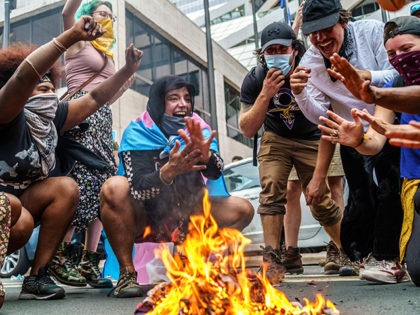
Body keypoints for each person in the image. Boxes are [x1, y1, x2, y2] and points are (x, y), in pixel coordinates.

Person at [0, 16, 142, 302]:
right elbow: (25, 75)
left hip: (20, 211)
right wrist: (70, 37)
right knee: (15, 209)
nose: (45, 84)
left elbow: (94, 99)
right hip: (5, 207)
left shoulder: (52, 118)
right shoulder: (6, 111)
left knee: (65, 187)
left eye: (50, 81)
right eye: (38, 80)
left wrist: (127, 69)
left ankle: (37, 276)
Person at [100, 75, 254, 298]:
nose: (183, 104)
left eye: (186, 98)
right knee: (113, 187)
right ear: (158, 102)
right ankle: (126, 274)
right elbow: (138, 188)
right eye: (174, 98)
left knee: (242, 209)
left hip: (189, 214)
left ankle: (195, 267)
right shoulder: (138, 131)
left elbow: (216, 171)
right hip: (146, 218)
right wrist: (169, 171)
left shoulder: (199, 128)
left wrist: (207, 155)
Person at [290, 0, 403, 279]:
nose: (320, 39)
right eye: (312, 32)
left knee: (390, 187)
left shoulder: (373, 32)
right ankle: (364, 255)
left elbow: (399, 75)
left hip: (388, 119)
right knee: (361, 199)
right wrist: (301, 94)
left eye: (326, 28)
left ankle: (387, 257)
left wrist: (366, 77)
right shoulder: (311, 61)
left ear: (342, 20)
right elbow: (321, 116)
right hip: (351, 134)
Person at [238, 21, 343, 284]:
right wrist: (265, 94)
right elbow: (248, 129)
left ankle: (345, 250)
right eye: (270, 50)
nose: (276, 55)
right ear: (262, 54)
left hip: (314, 137)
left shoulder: (314, 68)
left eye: (281, 49)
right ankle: (272, 258)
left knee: (320, 197)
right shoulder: (255, 78)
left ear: (294, 50)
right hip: (277, 138)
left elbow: (333, 106)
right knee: (272, 188)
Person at [321, 16, 420, 285]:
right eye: (392, 54)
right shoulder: (393, 86)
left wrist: (374, 94)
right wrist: (357, 140)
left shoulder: (385, 92)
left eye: (407, 49)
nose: (400, 58)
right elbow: (375, 142)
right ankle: (391, 256)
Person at [48, 0, 129, 288]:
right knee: (80, 180)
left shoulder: (107, 54)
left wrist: (125, 78)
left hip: (102, 119)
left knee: (104, 183)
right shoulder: (79, 42)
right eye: (101, 14)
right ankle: (58, 254)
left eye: (110, 15)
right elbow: (66, 13)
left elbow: (107, 97)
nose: (106, 19)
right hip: (80, 116)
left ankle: (89, 261)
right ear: (88, 16)